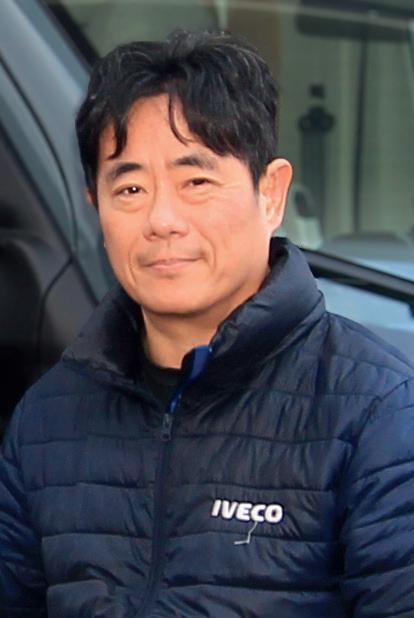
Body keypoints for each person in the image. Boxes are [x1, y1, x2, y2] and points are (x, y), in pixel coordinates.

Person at [1, 29, 414, 618]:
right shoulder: (48, 419)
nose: (162, 219)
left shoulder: (377, 411)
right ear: (97, 208)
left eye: (196, 181)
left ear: (271, 194)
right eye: (131, 188)